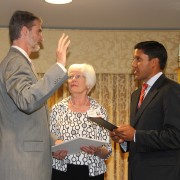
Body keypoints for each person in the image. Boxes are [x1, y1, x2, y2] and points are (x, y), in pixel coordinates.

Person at [0, 10, 70, 180]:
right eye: (39, 30)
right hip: (23, 164)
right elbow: (27, 101)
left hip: (28, 162)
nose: (42, 37)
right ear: (24, 31)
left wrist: (52, 142)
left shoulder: (20, 63)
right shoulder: (15, 62)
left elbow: (28, 120)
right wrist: (59, 66)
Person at [110, 41, 180, 180]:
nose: (133, 64)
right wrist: (124, 139)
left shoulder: (172, 90)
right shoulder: (136, 94)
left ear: (154, 62)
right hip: (137, 172)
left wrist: (135, 135)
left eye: (138, 59)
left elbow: (175, 136)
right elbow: (139, 135)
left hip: (162, 174)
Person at [50, 63, 112, 180]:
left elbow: (107, 150)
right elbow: (50, 140)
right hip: (61, 170)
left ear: (88, 82)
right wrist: (55, 151)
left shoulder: (99, 110)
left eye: (78, 76)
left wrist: (98, 151)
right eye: (70, 77)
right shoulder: (57, 109)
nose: (73, 79)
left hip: (92, 172)